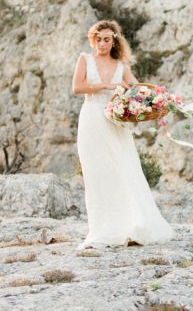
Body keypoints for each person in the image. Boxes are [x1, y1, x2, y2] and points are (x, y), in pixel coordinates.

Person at [72, 19, 174, 249]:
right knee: (97, 172)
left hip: (114, 122)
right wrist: (105, 87)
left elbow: (137, 89)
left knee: (124, 168)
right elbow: (77, 87)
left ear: (114, 40)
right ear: (93, 39)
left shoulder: (121, 66)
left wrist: (156, 100)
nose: (102, 43)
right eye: (98, 39)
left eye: (107, 39)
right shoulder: (85, 59)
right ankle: (101, 229)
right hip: (91, 120)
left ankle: (131, 225)